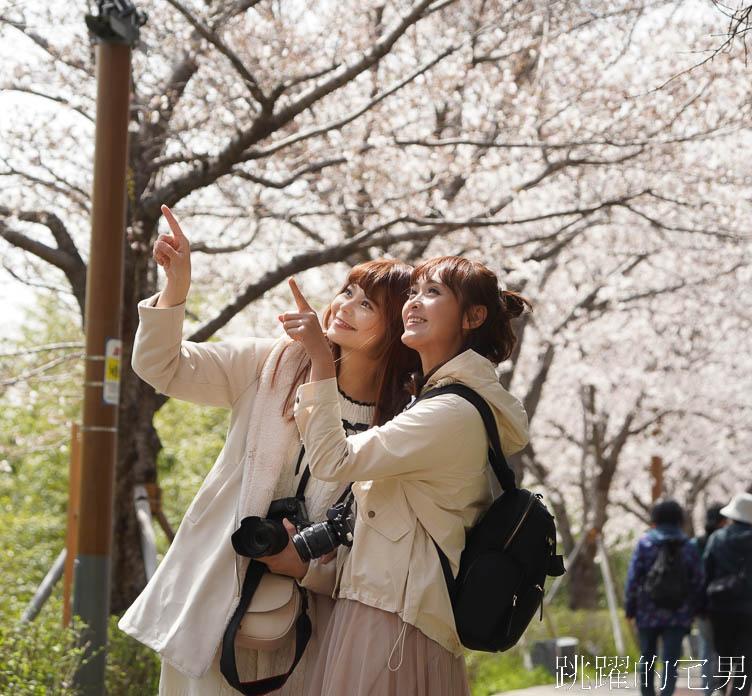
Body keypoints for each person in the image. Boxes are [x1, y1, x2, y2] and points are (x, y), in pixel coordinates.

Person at [118, 205, 419, 696]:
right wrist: (176, 289)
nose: (344, 306)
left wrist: (307, 567)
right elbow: (162, 367)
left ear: (397, 331)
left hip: (312, 622)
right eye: (346, 291)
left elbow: (382, 543)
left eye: (367, 305)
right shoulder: (272, 364)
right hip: (217, 594)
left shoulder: (401, 423)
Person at [281, 254, 530, 695]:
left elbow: (333, 461)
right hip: (390, 607)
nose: (413, 303)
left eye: (433, 293)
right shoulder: (441, 400)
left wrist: (322, 361)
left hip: (390, 617)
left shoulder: (448, 411)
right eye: (413, 292)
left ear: (473, 317)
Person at [625, 498, 704, 696]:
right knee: (671, 660)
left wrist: (630, 608)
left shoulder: (645, 543)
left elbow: (634, 578)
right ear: (679, 519)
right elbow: (697, 581)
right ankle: (666, 693)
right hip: (678, 612)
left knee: (647, 658)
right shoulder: (687, 545)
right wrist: (697, 609)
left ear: (655, 519)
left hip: (647, 610)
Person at [703, 492, 752, 696]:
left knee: (721, 654)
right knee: (746, 658)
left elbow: (706, 571)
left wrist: (703, 604)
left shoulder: (717, 538)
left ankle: (719, 690)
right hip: (749, 609)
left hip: (720, 606)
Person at [692, 505, 727, 694]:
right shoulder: (725, 541)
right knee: (722, 648)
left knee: (707, 647)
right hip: (725, 602)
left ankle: (707, 690)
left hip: (703, 603)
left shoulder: (696, 543)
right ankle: (720, 689)